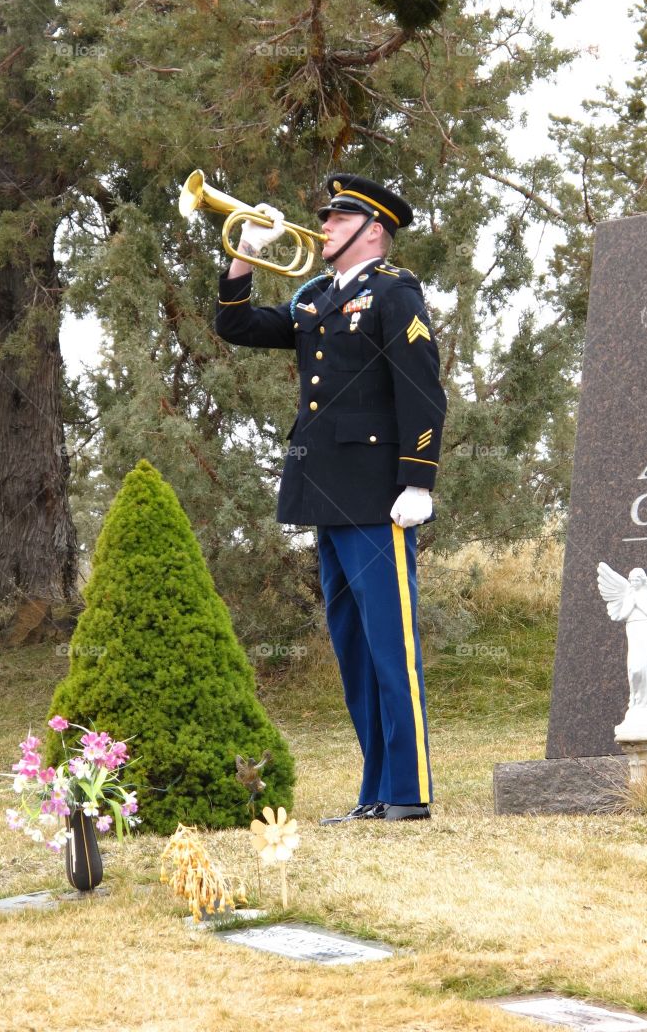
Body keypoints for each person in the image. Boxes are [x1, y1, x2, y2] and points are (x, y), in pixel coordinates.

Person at [215, 173, 447, 822]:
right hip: (326, 496)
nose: (322, 228)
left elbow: (423, 391)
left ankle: (408, 792)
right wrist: (242, 256)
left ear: (373, 230)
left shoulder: (394, 294)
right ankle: (375, 792)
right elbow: (236, 326)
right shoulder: (318, 297)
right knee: (352, 647)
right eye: (324, 218)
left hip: (379, 498)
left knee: (390, 645)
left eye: (337, 220)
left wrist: (418, 480)